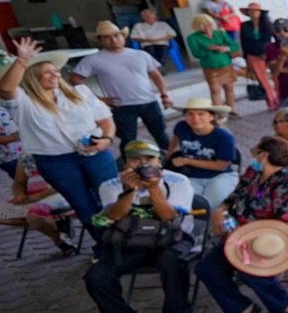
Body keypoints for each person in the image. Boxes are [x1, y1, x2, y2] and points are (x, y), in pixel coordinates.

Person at [86, 139, 195, 313]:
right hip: (129, 241)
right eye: (136, 160)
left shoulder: (178, 181)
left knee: (173, 262)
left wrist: (154, 188)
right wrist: (129, 191)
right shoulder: (110, 185)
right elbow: (114, 217)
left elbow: (168, 216)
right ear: (126, 163)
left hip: (171, 238)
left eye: (150, 159)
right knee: (96, 275)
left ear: (160, 160)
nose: (144, 165)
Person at [0, 38, 118, 229]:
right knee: (83, 205)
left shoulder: (79, 92)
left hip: (96, 154)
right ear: (33, 77)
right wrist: (22, 61)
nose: (55, 75)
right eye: (47, 73)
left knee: (112, 198)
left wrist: (107, 139)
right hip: (56, 161)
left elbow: (105, 119)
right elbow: (5, 90)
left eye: (56, 71)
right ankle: (105, 248)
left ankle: (127, 242)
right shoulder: (23, 102)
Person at [195, 134, 288, 313]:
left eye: (255, 151)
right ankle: (243, 308)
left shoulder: (287, 183)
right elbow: (235, 195)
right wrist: (221, 209)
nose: (252, 154)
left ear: (264, 155)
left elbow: (282, 223)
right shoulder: (252, 174)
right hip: (241, 235)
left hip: (274, 239)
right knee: (206, 268)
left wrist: (247, 235)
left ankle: (284, 306)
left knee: (248, 268)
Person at [72, 21, 173, 149]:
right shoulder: (93, 60)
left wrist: (165, 95)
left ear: (123, 36)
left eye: (116, 35)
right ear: (100, 40)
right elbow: (75, 80)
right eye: (107, 37)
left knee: (161, 135)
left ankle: (171, 164)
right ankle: (131, 166)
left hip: (149, 101)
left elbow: (156, 76)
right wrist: (98, 99)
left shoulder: (141, 55)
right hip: (122, 105)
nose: (113, 40)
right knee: (128, 140)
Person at [165, 98, 238, 205]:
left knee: (209, 206)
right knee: (183, 203)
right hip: (192, 176)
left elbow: (221, 166)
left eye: (201, 114)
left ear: (212, 116)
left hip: (220, 176)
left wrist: (187, 161)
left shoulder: (224, 137)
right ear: (185, 116)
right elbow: (175, 138)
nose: (195, 118)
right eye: (190, 114)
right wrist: (169, 153)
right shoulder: (181, 126)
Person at [1, 154, 76, 256]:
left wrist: (36, 197)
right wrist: (19, 195)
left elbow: (67, 181)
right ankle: (57, 226)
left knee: (34, 215)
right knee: (3, 212)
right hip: (32, 198)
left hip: (60, 194)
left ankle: (59, 240)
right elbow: (19, 181)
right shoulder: (26, 156)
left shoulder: (59, 151)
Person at [187, 14, 240, 115]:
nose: (208, 26)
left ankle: (231, 110)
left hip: (226, 65)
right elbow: (196, 54)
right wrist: (208, 48)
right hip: (210, 68)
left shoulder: (219, 33)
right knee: (215, 90)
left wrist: (226, 49)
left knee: (229, 88)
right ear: (198, 26)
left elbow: (234, 46)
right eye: (204, 25)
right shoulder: (192, 38)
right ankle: (220, 114)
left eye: (209, 23)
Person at [239, 3, 279, 109]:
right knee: (263, 80)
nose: (253, 13)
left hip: (269, 55)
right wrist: (246, 58)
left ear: (260, 12)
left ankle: (279, 98)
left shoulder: (268, 24)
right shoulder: (245, 25)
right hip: (253, 55)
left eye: (255, 11)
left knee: (275, 78)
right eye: (251, 11)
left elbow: (277, 39)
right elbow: (244, 43)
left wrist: (275, 52)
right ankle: (270, 102)